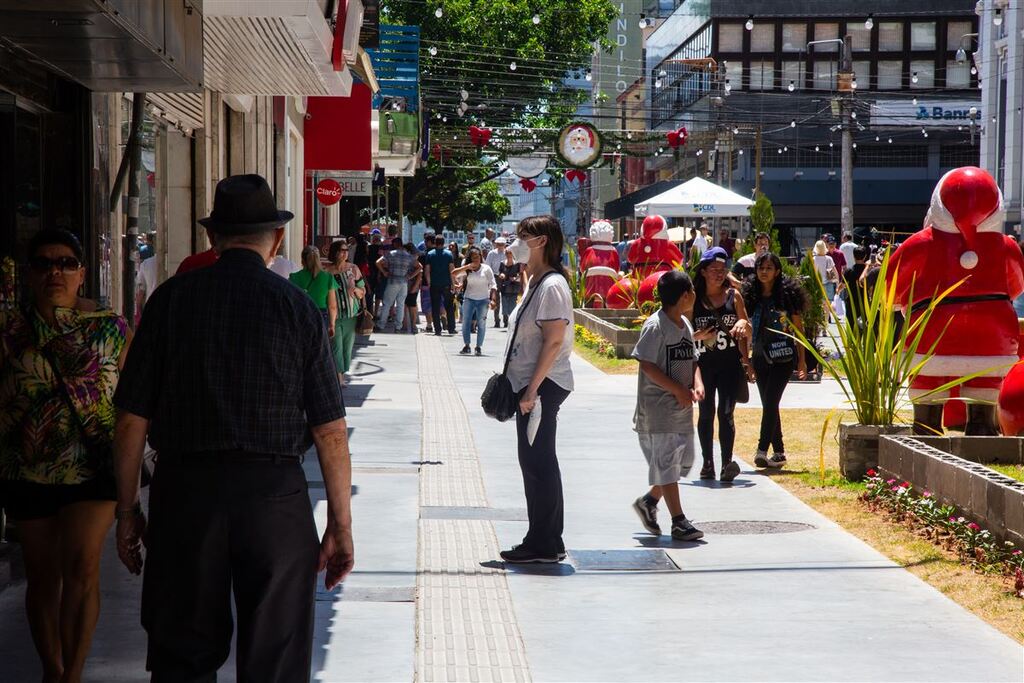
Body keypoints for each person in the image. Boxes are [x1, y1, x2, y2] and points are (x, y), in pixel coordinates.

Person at [112, 174, 353, 681]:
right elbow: (329, 430)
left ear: (212, 238)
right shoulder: (299, 309)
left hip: (185, 496)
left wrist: (128, 509)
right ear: (277, 239)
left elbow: (132, 417)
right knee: (276, 656)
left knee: (182, 654)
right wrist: (340, 525)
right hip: (275, 499)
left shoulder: (170, 301)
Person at [0, 228, 130, 683]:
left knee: (81, 566)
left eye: (66, 263)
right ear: (28, 274)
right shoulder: (10, 333)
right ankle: (51, 670)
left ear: (82, 273)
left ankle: (71, 675)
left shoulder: (111, 329)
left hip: (93, 466)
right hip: (26, 467)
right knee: (42, 576)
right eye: (43, 263)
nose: (55, 271)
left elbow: (132, 403)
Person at [499, 215, 574, 564]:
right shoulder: (539, 281)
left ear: (540, 241)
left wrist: (532, 390)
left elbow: (554, 340)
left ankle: (542, 543)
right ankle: (548, 540)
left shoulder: (553, 286)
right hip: (534, 384)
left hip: (542, 387)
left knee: (537, 462)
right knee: (537, 460)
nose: (516, 242)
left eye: (522, 236)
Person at [629, 270, 706, 542]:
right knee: (669, 465)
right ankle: (678, 521)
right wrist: (676, 389)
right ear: (685, 295)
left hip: (681, 409)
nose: (696, 295)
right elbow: (647, 364)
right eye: (693, 290)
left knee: (682, 463)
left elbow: (692, 358)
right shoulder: (655, 326)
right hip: (658, 410)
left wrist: (697, 383)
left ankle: (649, 501)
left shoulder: (684, 323)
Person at [690, 247, 752, 482]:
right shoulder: (693, 298)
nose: (719, 273)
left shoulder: (733, 296)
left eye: (722, 269)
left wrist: (743, 325)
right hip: (703, 365)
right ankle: (707, 463)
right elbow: (682, 330)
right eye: (714, 269)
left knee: (726, 413)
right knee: (706, 413)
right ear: (704, 271)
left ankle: (727, 463)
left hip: (729, 365)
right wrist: (698, 336)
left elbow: (746, 324)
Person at [742, 252, 808, 470]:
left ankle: (762, 450)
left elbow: (799, 329)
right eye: (761, 267)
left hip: (784, 357)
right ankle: (779, 452)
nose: (764, 271)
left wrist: (802, 361)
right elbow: (743, 327)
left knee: (770, 402)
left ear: (777, 271)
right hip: (760, 356)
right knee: (770, 404)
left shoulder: (787, 297)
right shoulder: (751, 297)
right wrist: (747, 362)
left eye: (769, 267)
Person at [326, 240, 365, 384]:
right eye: (342, 250)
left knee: (347, 348)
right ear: (335, 252)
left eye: (346, 250)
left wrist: (355, 289)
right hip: (334, 315)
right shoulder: (327, 272)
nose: (345, 253)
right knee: (336, 346)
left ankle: (342, 372)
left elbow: (363, 292)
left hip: (351, 314)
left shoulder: (353, 269)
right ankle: (339, 378)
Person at [452, 246, 497, 355]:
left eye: (477, 257)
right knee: (466, 323)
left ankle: (478, 347)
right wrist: (466, 267)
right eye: (473, 258)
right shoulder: (467, 269)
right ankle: (467, 345)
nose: (475, 260)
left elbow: (493, 284)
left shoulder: (486, 269)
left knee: (481, 323)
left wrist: (493, 299)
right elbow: (454, 273)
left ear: (480, 258)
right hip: (469, 299)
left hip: (483, 300)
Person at [290, 245, 338, 338]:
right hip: (320, 315)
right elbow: (332, 306)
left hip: (300, 315)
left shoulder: (294, 277)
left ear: (302, 260)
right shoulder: (328, 277)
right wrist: (332, 325)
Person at [375, 238, 421, 332]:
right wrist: (410, 276)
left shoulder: (391, 254)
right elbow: (419, 267)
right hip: (403, 282)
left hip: (392, 281)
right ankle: (398, 327)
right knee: (400, 305)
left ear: (396, 244)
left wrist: (384, 272)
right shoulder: (408, 256)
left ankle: (381, 325)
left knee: (387, 303)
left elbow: (378, 262)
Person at [425, 235, 457, 335]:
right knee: (449, 307)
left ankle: (437, 329)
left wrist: (429, 282)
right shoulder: (448, 254)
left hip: (434, 284)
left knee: (435, 307)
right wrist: (453, 284)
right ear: (444, 243)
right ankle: (451, 328)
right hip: (446, 284)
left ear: (435, 242)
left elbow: (427, 270)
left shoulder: (430, 254)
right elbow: (452, 269)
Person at [841, 245, 869, 321]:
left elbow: (842, 286)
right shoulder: (868, 271)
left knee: (851, 325)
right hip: (865, 303)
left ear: (854, 256)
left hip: (851, 302)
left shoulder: (849, 271)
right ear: (865, 256)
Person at [485, 237, 508, 325]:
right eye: (498, 244)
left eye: (502, 244)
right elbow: (488, 266)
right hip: (495, 276)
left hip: (505, 277)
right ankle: (497, 320)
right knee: (496, 299)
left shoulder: (508, 253)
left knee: (505, 298)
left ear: (505, 245)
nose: (500, 246)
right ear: (496, 244)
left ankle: (506, 319)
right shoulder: (491, 253)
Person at [498, 248, 523, 328]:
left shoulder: (517, 264)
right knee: (505, 305)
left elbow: (521, 274)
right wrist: (502, 275)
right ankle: (506, 320)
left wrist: (515, 278)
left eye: (510, 253)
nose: (508, 255)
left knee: (512, 305)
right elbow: (500, 272)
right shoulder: (502, 263)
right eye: (507, 253)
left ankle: (511, 321)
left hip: (514, 287)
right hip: (504, 287)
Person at [402, 243, 422, 334]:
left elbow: (420, 269)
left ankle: (413, 325)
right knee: (404, 305)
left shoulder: (412, 259)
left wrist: (410, 277)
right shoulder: (407, 258)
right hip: (404, 285)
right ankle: (405, 324)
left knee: (412, 305)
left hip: (412, 286)